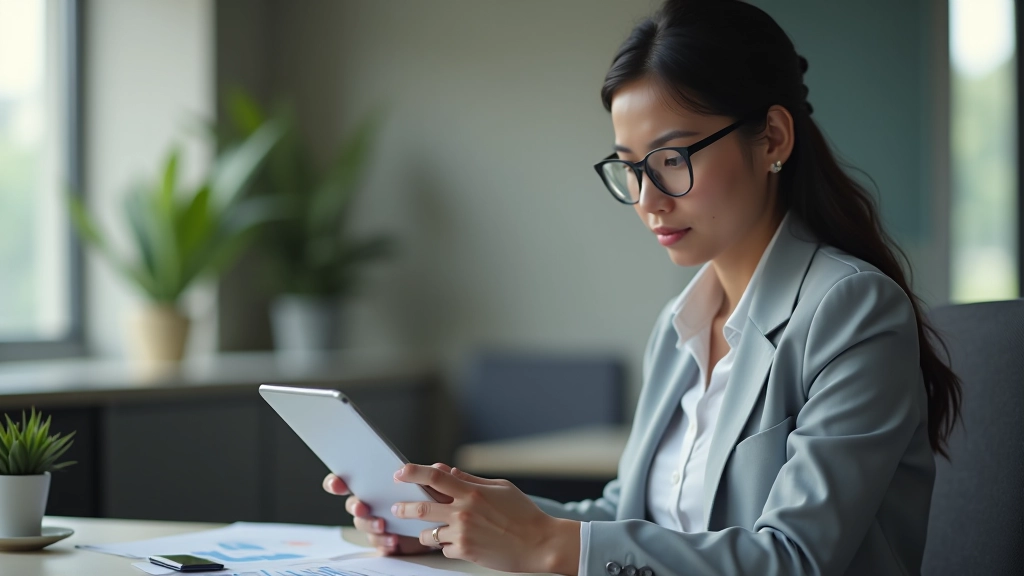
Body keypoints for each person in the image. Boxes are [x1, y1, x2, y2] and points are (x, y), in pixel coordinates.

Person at [322, 1, 962, 574]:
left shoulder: (851, 310)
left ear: (771, 138)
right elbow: (639, 513)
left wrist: (550, 545)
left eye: (672, 159)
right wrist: (454, 524)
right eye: (630, 169)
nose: (648, 200)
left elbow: (793, 559)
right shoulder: (680, 324)